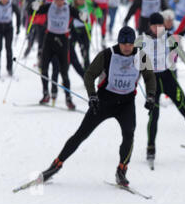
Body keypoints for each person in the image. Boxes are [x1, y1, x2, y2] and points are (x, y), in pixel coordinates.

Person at [39, 26, 156, 187]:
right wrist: (92, 95)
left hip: (126, 103)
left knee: (129, 134)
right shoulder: (107, 55)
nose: (127, 47)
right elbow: (89, 75)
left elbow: (150, 78)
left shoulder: (141, 57)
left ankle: (122, 170)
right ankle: (56, 165)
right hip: (104, 102)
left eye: (130, 44)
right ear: (119, 43)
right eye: (124, 44)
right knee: (81, 134)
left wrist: (150, 96)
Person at [137, 13, 185, 167]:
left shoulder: (169, 38)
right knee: (153, 116)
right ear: (149, 26)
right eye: (154, 26)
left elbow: (182, 55)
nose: (157, 29)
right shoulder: (142, 40)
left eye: (160, 26)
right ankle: (151, 148)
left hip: (168, 78)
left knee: (184, 109)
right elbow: (135, 61)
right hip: (152, 82)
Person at [33, 0, 81, 110]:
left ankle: (68, 99)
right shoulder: (49, 6)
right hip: (49, 39)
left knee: (64, 72)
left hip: (63, 41)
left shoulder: (69, 8)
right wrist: (34, 5)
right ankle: (46, 94)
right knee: (44, 68)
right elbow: (33, 11)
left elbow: (81, 16)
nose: (59, 1)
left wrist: (84, 16)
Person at [67, 0, 95, 78]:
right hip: (74, 30)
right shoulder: (71, 2)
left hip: (86, 29)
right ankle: (65, 75)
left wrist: (97, 9)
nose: (82, 1)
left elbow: (97, 11)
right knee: (70, 52)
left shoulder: (88, 3)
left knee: (85, 52)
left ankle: (88, 75)